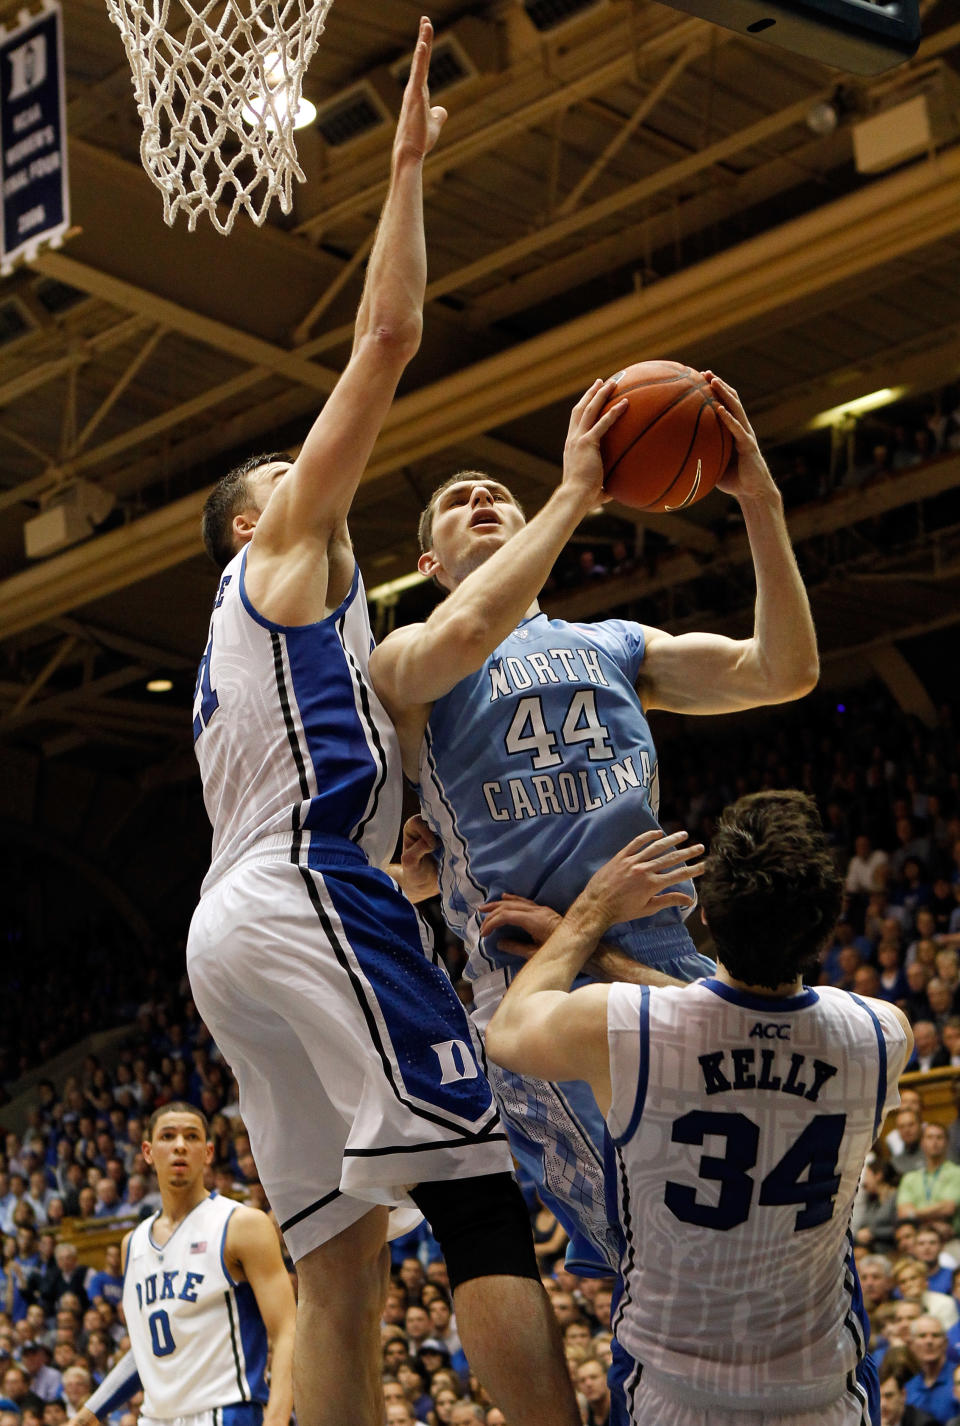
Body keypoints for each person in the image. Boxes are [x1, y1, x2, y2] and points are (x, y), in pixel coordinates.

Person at [184, 21, 578, 1426]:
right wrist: (404, 169)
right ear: (253, 516)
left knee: (338, 1262)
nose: (321, 472)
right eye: (293, 471)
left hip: (233, 926)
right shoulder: (285, 552)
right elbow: (390, 335)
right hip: (302, 892)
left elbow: (462, 631)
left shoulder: (305, 639)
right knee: (474, 1186)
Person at [370, 374, 819, 1274]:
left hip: (675, 962)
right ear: (430, 567)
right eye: (458, 504)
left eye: (497, 492)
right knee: (653, 1256)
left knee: (765, 1241)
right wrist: (576, 491)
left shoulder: (614, 642)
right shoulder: (405, 659)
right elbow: (464, 641)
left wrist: (761, 502)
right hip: (540, 984)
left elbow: (785, 670)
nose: (483, 499)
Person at [485, 790, 913, 1424]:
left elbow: (507, 1029)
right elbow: (747, 1021)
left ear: (705, 914)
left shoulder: (630, 1027)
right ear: (831, 918)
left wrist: (590, 916)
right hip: (824, 1393)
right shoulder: (882, 1034)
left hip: (667, 1394)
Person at [64, 1103, 295, 1426]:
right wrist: (90, 1412)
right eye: (168, 1136)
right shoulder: (133, 1243)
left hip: (225, 1411)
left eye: (192, 1136)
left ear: (208, 1152)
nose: (180, 1146)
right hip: (155, 1418)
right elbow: (145, 1349)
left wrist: (277, 1419)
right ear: (147, 1152)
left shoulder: (242, 1224)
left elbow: (287, 1330)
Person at [898, 1125, 960, 1238]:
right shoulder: (910, 1178)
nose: (934, 1142)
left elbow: (948, 1208)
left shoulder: (957, 1173)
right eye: (930, 1137)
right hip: (918, 1240)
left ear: (947, 1142)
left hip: (950, 1237)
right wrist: (934, 1219)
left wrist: (914, 1213)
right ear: (922, 1143)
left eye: (939, 1137)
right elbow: (903, 1213)